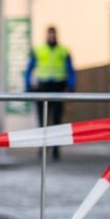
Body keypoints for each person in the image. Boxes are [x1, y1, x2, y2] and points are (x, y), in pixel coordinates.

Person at [25, 25, 75, 161]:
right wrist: (28, 85)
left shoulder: (63, 51)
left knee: (57, 120)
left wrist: (71, 86)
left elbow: (70, 70)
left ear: (56, 35)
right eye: (49, 34)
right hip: (42, 87)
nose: (51, 37)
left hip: (59, 87)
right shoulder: (38, 50)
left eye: (53, 34)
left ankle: (55, 149)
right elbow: (29, 69)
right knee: (42, 121)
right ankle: (42, 147)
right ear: (46, 35)